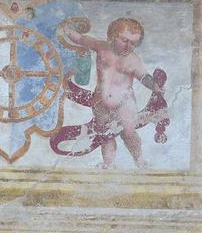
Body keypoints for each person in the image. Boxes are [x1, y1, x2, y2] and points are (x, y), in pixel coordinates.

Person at [67, 17, 163, 169]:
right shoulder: (101, 47)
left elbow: (143, 76)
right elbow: (80, 38)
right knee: (106, 135)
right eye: (125, 40)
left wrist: (154, 87)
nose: (128, 46)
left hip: (125, 102)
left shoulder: (133, 60)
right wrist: (66, 30)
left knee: (129, 133)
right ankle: (109, 164)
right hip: (100, 102)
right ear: (112, 36)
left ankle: (139, 160)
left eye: (133, 43)